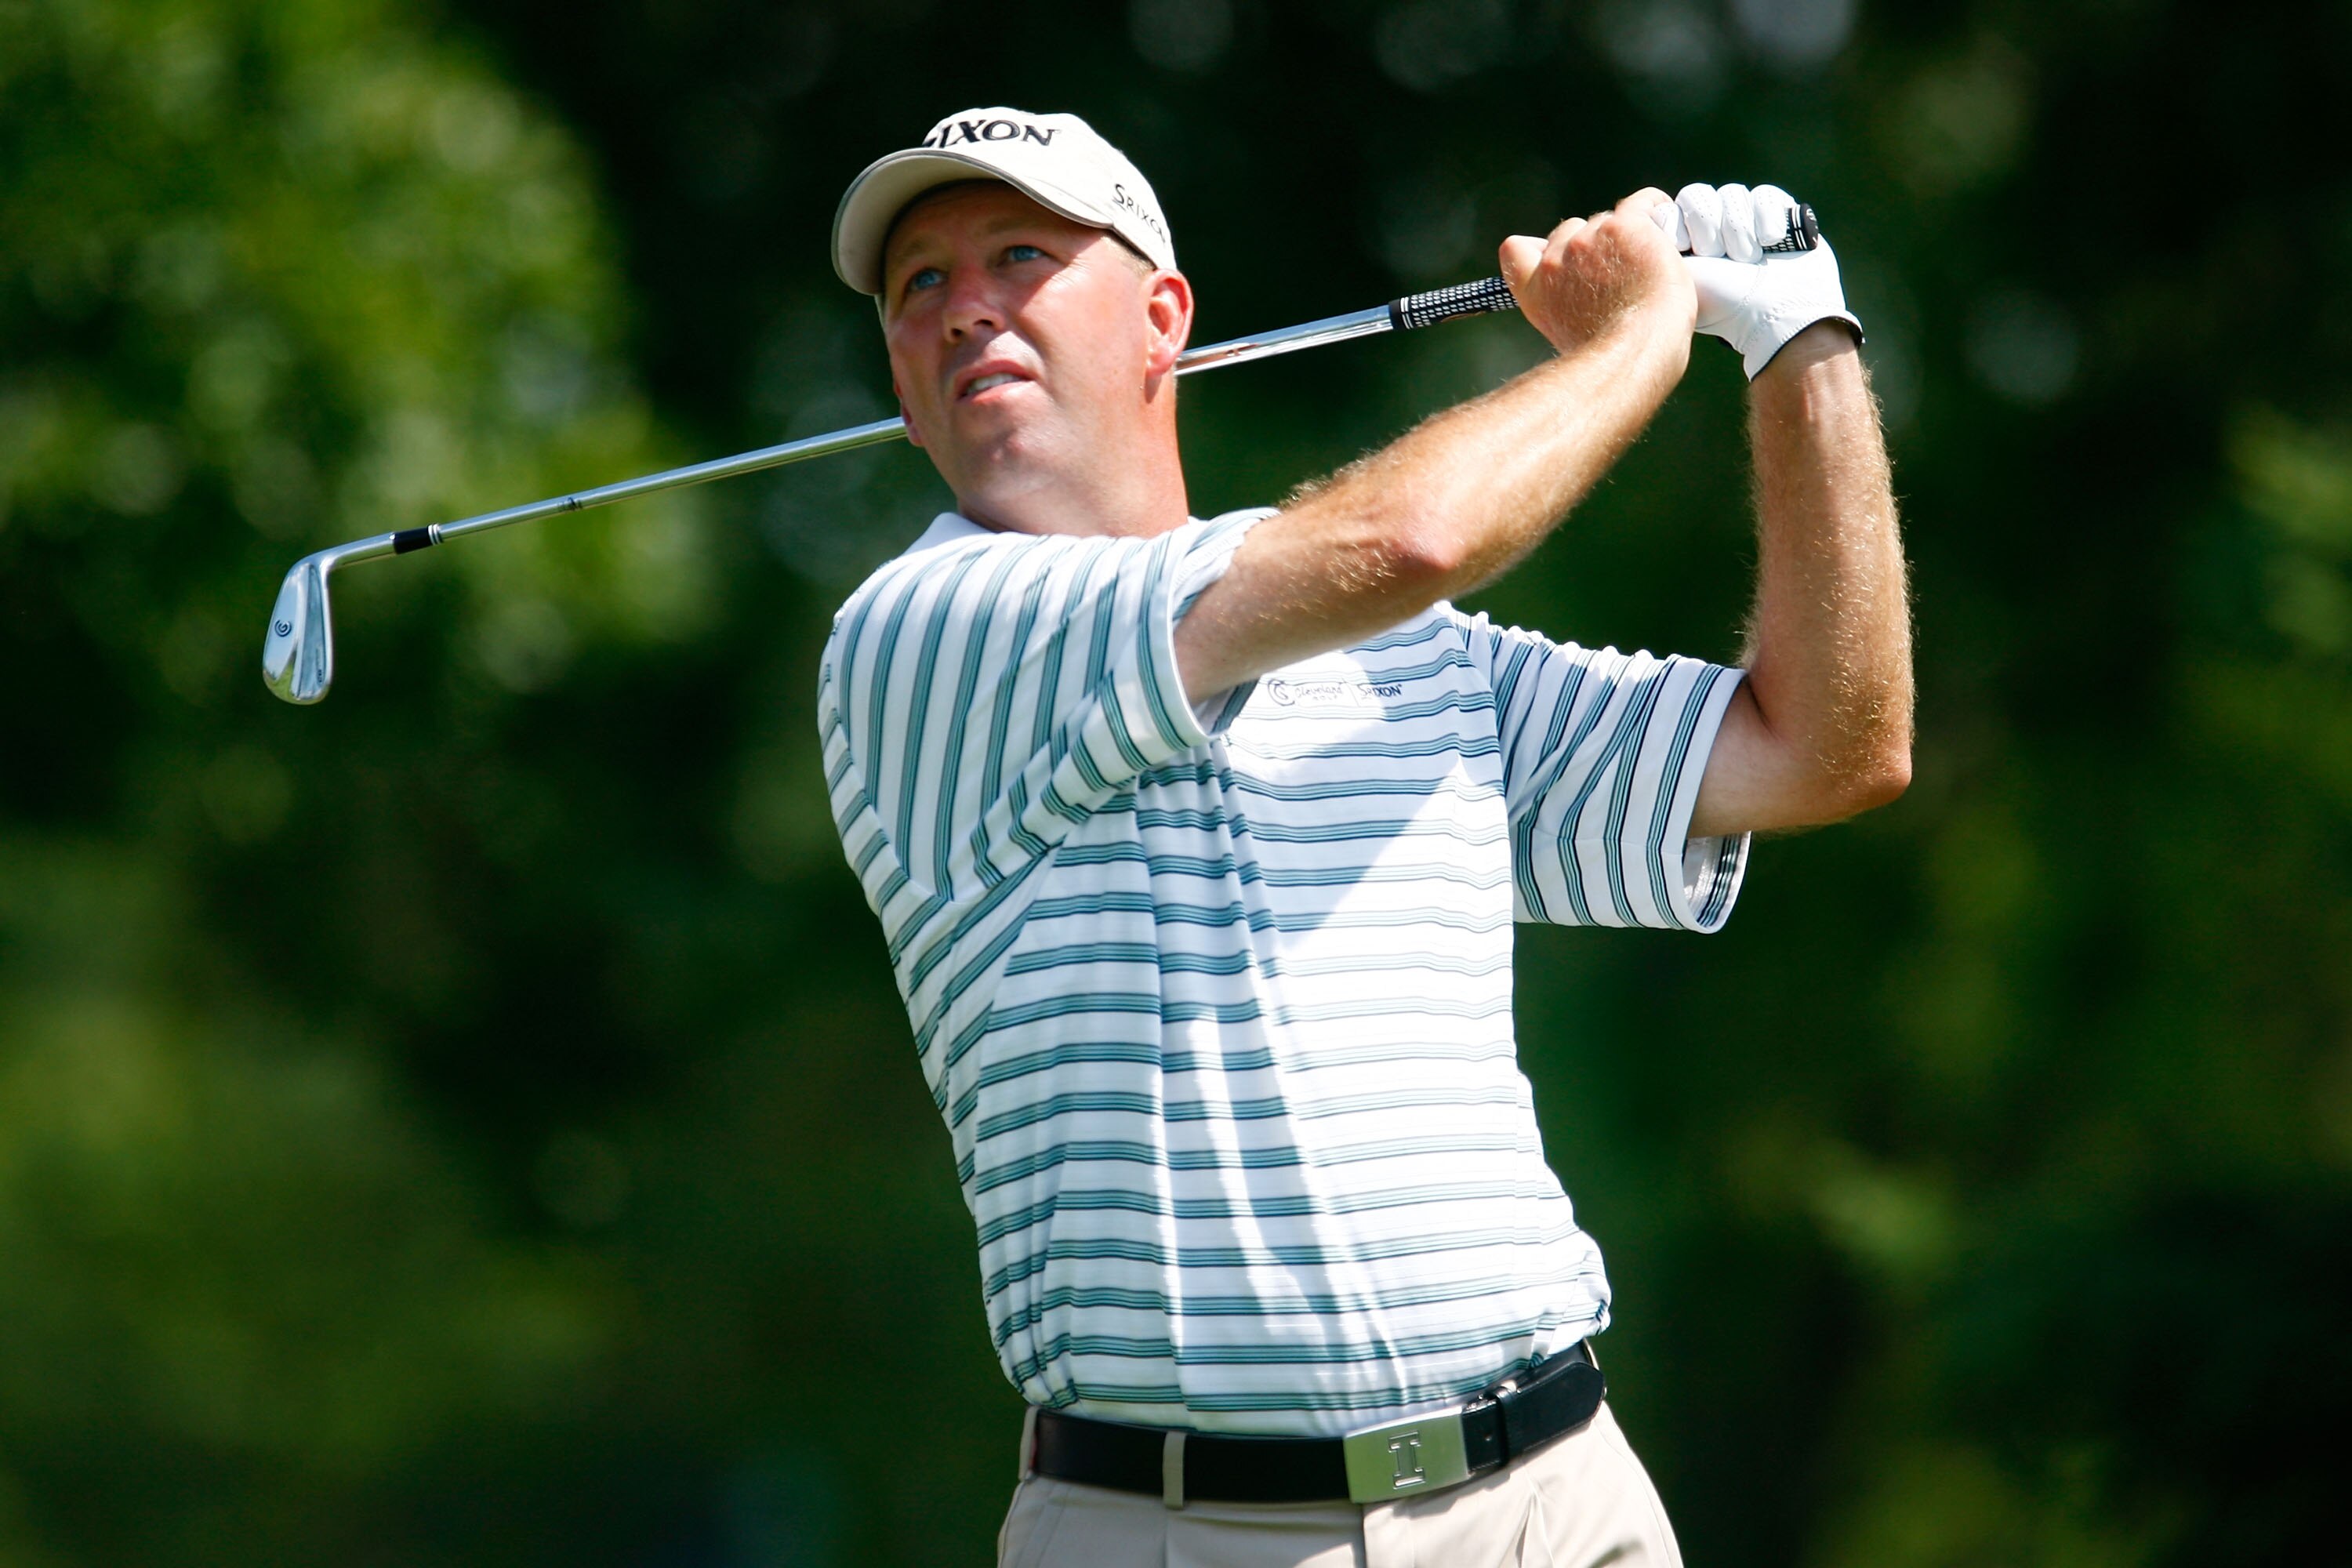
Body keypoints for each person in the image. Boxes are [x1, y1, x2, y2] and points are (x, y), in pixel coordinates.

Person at [818, 107, 1909, 1568]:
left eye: (1018, 254)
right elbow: (1409, 541)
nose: (966, 307)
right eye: (920, 289)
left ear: (1162, 320)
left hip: (1555, 1501)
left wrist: (1798, 343)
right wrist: (1637, 338)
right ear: (902, 376)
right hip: (1184, 1529)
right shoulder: (916, 639)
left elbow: (1829, 748)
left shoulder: (1422, 665)